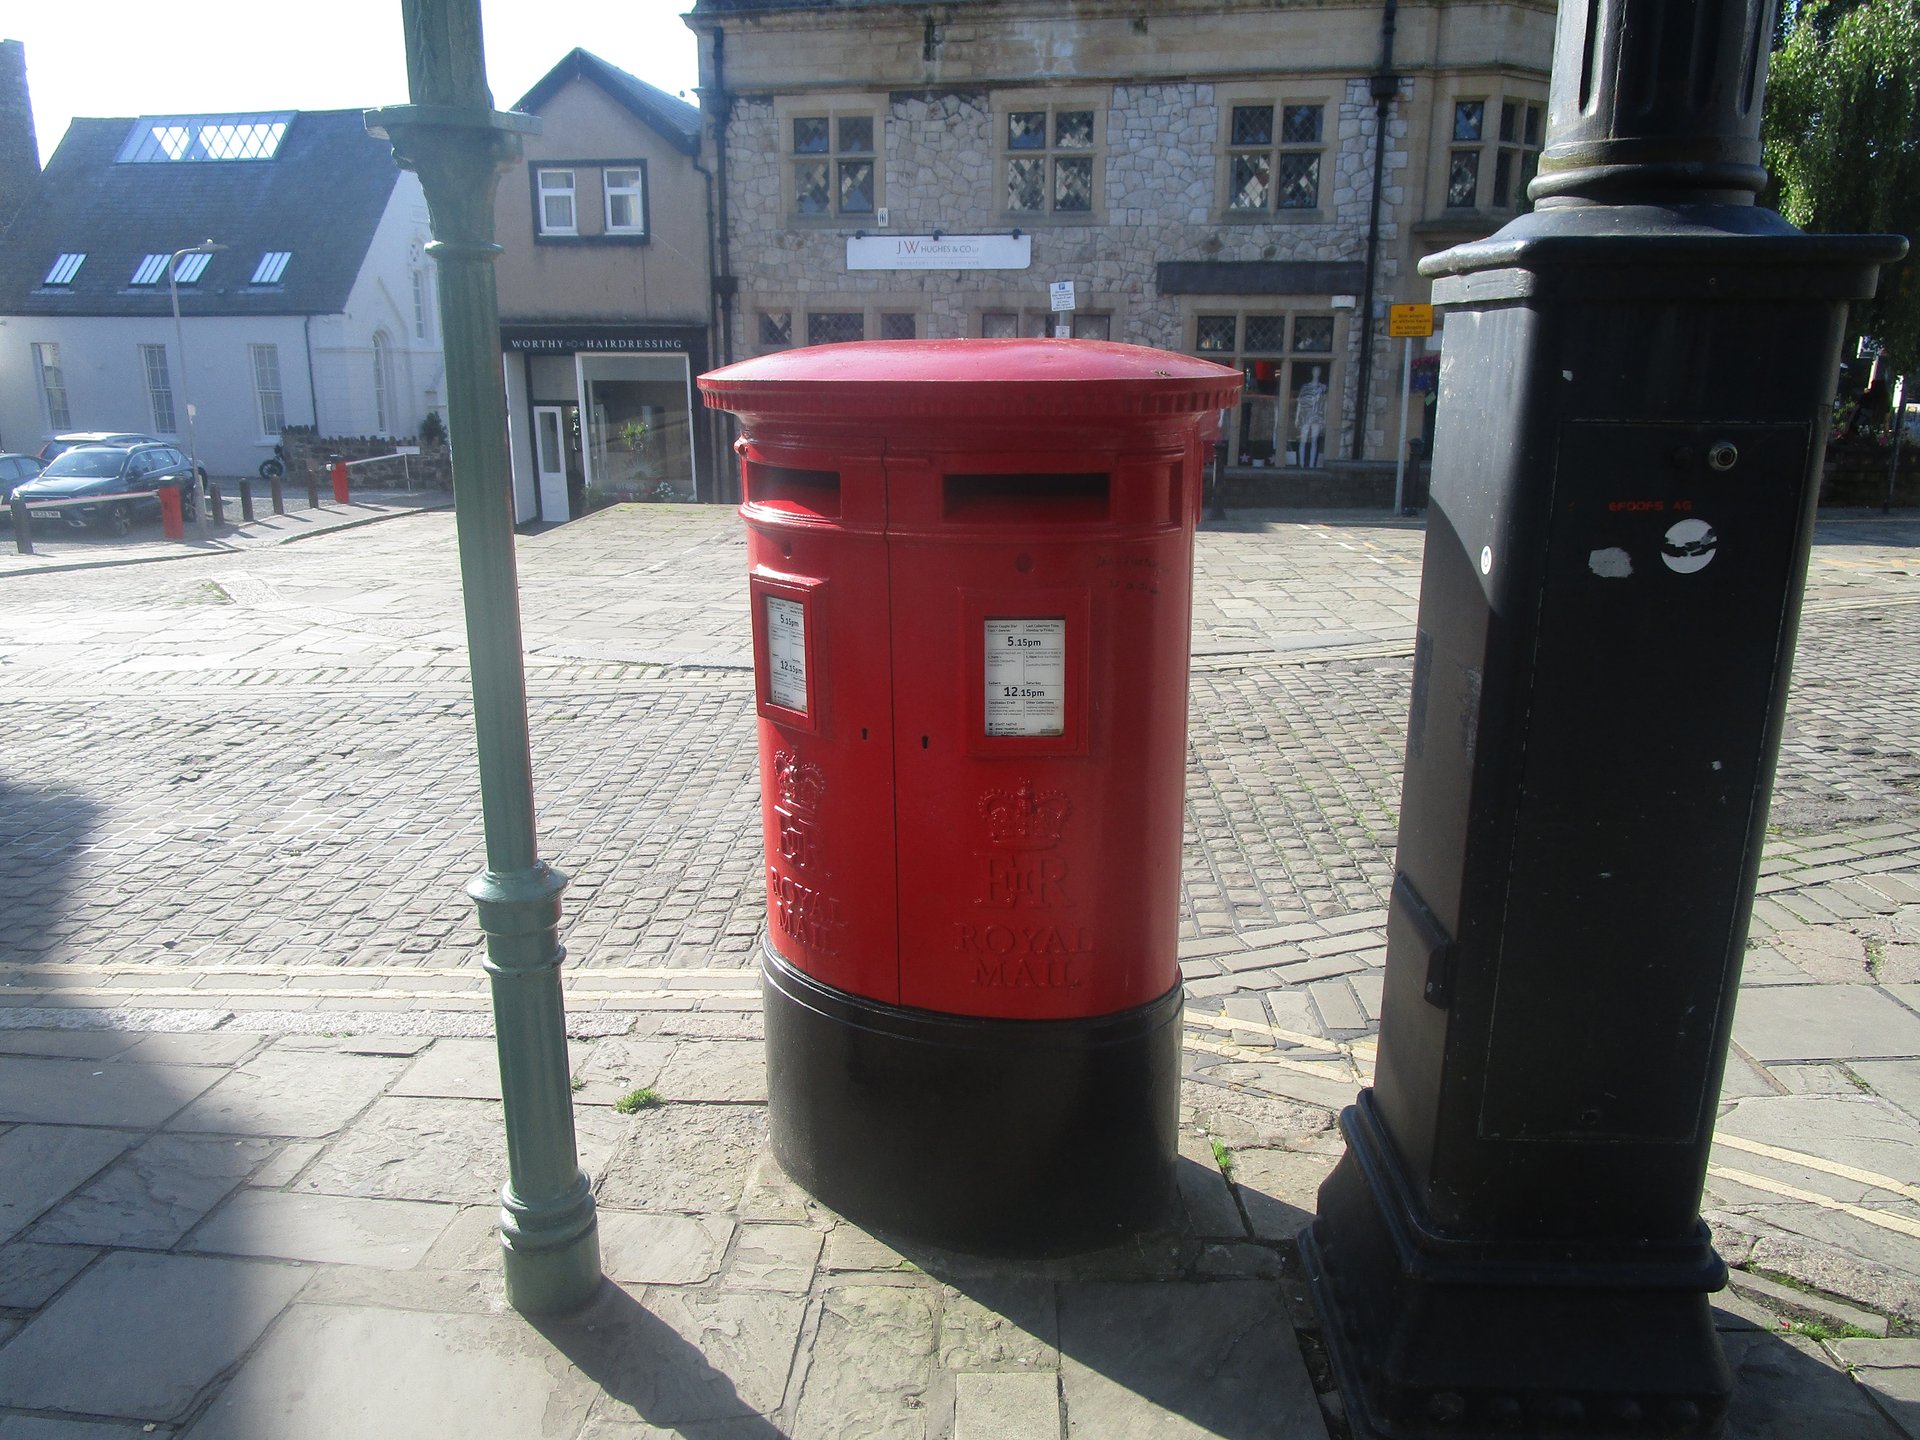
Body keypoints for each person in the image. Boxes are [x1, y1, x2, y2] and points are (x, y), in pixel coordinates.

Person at [1293, 366, 1328, 469]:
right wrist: (1297, 417)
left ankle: (1312, 465)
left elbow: (1325, 403)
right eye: (1314, 371)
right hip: (1305, 415)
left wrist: (1325, 418)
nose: (1316, 373)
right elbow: (1300, 402)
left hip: (1317, 416)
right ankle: (1301, 464)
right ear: (1312, 372)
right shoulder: (1305, 387)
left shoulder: (1322, 388)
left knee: (1314, 441)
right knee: (1303, 440)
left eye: (1318, 371)